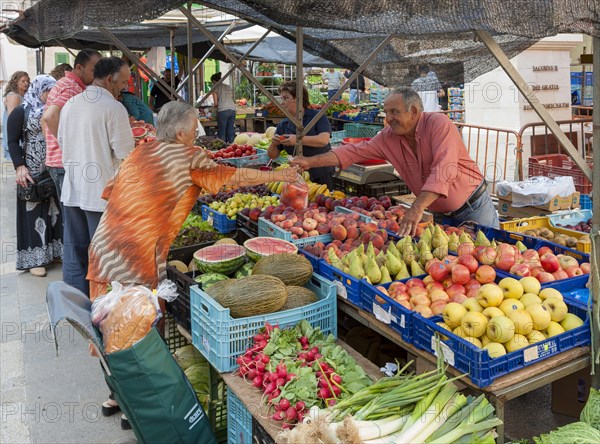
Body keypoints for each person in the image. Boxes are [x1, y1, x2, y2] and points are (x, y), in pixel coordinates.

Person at [290, 89, 499, 233]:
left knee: (488, 262)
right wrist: (310, 162)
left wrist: (416, 208)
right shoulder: (387, 136)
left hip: (475, 209)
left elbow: (444, 170)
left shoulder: (438, 124)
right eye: (386, 112)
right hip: (442, 214)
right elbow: (351, 152)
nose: (388, 118)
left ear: (414, 112)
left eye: (394, 112)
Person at [58, 56, 134, 297]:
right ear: (110, 80)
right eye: (123, 82)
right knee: (105, 259)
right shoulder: (113, 108)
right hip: (101, 196)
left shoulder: (71, 104)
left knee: (76, 253)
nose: (125, 87)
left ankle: (76, 307)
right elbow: (126, 154)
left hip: (72, 192)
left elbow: (61, 140)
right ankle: (104, 311)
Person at [6, 75, 62, 277]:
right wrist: (19, 166)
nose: (52, 94)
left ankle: (55, 252)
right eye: (49, 90)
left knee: (55, 211)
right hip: (31, 169)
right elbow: (12, 141)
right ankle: (35, 259)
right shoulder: (22, 110)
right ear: (40, 89)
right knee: (34, 212)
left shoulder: (53, 109)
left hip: (53, 166)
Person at [42, 49, 102, 201]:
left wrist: (53, 145)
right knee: (72, 215)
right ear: (79, 67)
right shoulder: (71, 88)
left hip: (59, 161)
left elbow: (44, 119)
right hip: (65, 163)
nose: (96, 74)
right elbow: (49, 116)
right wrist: (67, 145)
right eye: (93, 70)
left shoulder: (69, 84)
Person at [267, 81, 335, 189]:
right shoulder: (283, 124)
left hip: (321, 171)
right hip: (299, 174)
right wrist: (274, 144)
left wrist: (298, 140)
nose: (282, 102)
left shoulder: (317, 116)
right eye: (281, 98)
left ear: (298, 99)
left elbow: (323, 140)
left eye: (286, 98)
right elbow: (273, 155)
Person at [2, 71, 30, 161]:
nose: (26, 83)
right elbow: (12, 118)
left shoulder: (23, 95)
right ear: (16, 82)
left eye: (27, 81)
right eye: (23, 81)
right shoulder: (14, 96)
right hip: (15, 135)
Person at [210, 72, 236, 143]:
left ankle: (223, 148)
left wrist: (213, 108)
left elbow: (215, 104)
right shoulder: (228, 86)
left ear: (214, 81)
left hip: (223, 110)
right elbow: (232, 99)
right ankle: (232, 146)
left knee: (222, 131)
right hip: (232, 109)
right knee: (231, 130)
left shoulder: (215, 88)